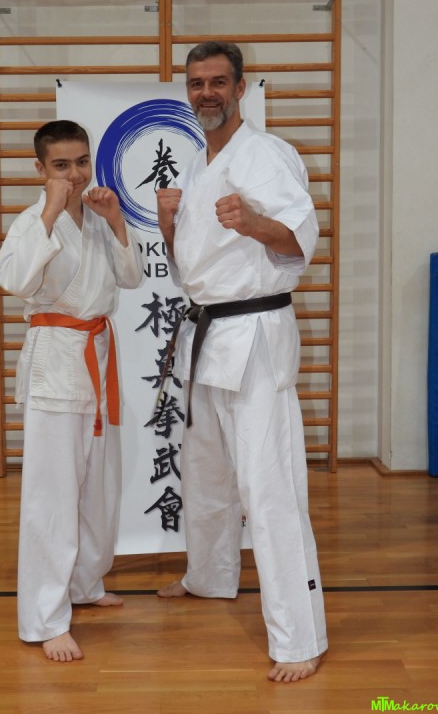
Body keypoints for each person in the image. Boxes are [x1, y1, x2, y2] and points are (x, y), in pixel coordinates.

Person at [156, 41, 328, 683]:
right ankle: (209, 575)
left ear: (241, 87)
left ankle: (299, 637)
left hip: (254, 334)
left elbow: (300, 241)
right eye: (196, 83)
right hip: (209, 335)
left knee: (269, 485)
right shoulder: (201, 161)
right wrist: (169, 227)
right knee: (207, 473)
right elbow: (195, 270)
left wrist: (255, 223)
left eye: (218, 82)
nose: (207, 93)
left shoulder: (266, 154)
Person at [0, 119, 145, 662]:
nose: (75, 174)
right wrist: (50, 212)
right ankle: (44, 618)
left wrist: (118, 220)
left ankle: (84, 583)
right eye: (61, 165)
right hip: (57, 363)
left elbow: (131, 278)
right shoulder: (32, 220)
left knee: (99, 486)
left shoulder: (99, 219)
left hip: (98, 358)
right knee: (52, 497)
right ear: (40, 168)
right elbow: (13, 281)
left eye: (81, 162)